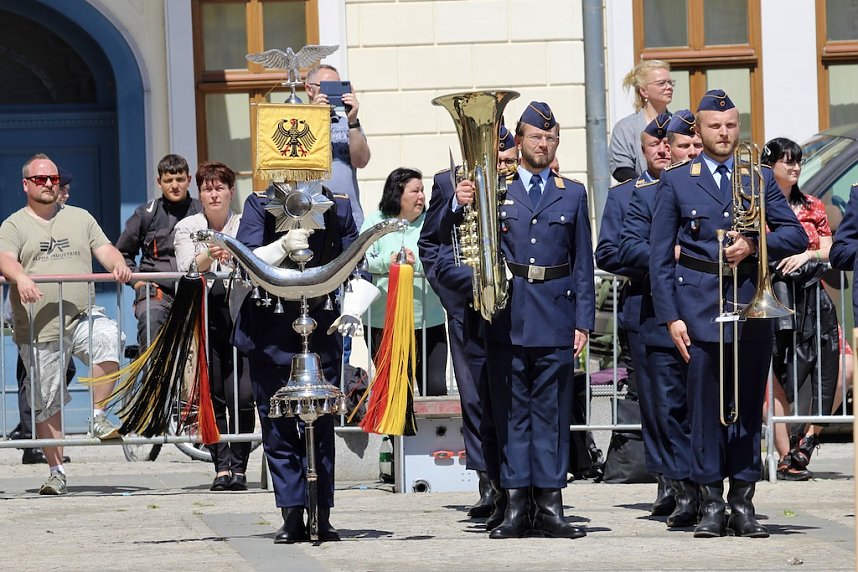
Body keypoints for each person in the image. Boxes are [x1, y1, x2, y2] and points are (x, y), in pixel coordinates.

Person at [649, 90, 807, 538]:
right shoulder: (677, 180)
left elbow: (795, 234)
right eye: (715, 126)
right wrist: (671, 318)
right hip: (697, 306)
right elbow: (660, 259)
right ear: (697, 130)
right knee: (705, 411)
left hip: (750, 305)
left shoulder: (757, 176)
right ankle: (710, 503)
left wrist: (756, 245)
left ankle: (743, 500)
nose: (724, 133)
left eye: (731, 125)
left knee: (745, 412)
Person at [455, 102, 594, 540]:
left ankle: (551, 505)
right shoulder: (495, 188)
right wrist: (460, 206)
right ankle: (515, 504)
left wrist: (583, 321)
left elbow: (582, 263)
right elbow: (464, 238)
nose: (544, 144)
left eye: (551, 138)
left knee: (551, 415)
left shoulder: (572, 192)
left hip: (555, 313)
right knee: (511, 414)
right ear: (519, 140)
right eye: (536, 136)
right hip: (508, 315)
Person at [233, 181, 365, 543]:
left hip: (322, 324)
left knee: (321, 427)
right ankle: (291, 513)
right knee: (277, 428)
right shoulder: (260, 202)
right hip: (269, 327)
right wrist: (279, 246)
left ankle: (321, 513)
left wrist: (354, 308)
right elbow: (244, 258)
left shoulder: (337, 203)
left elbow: (357, 259)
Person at [0, 153, 132, 495]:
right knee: (47, 402)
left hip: (81, 315)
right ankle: (56, 471)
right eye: (41, 179)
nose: (48, 184)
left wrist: (118, 264)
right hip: (39, 328)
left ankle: (99, 414)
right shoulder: (14, 224)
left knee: (108, 338)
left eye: (53, 179)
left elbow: (105, 249)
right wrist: (21, 278)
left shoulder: (80, 217)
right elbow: (5, 258)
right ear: (26, 184)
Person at [417, 124, 519, 527]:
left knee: (508, 399)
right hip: (467, 308)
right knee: (476, 400)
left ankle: (513, 484)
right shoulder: (449, 181)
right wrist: (455, 206)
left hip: (513, 309)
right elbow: (431, 242)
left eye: (503, 153)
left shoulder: (519, 177)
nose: (498, 160)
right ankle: (486, 483)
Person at [617, 109, 703, 529]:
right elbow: (627, 245)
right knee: (668, 409)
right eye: (682, 146)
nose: (689, 152)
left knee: (706, 406)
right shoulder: (647, 194)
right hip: (660, 314)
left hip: (707, 311)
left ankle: (709, 488)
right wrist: (663, 250)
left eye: (695, 145)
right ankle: (683, 489)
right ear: (666, 149)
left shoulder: (720, 189)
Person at [596, 113, 673, 516]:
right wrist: (659, 263)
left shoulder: (691, 189)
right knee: (654, 401)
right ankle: (665, 479)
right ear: (642, 152)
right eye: (653, 145)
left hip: (693, 304)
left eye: (668, 143)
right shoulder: (626, 194)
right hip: (644, 304)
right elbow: (606, 251)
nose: (662, 150)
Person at [762, 138, 849, 481]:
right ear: (771, 167)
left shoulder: (812, 205)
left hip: (814, 295)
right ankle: (785, 456)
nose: (796, 168)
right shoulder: (758, 208)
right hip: (777, 297)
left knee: (842, 366)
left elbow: (830, 250)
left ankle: (808, 440)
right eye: (787, 162)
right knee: (776, 376)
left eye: (798, 162)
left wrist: (807, 254)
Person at [174, 161, 254, 492]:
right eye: (207, 188)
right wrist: (211, 251)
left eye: (220, 187)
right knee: (215, 393)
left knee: (244, 394)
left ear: (231, 191)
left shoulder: (245, 222)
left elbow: (255, 257)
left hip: (243, 315)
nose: (214, 193)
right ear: (200, 194)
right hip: (207, 318)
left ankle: (240, 466)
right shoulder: (187, 226)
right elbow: (187, 267)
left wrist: (232, 251)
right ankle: (221, 466)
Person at [9, 167, 76, 465]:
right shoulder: (19, 224)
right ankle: (31, 439)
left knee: (58, 373)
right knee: (30, 378)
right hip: (32, 319)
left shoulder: (69, 220)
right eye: (43, 181)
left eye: (58, 184)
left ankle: (36, 436)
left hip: (60, 319)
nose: (57, 189)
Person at [362, 168, 448, 396]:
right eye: (415, 191)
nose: (422, 196)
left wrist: (414, 264)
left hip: (429, 321)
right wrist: (388, 262)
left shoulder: (432, 221)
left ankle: (429, 434)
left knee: (436, 390)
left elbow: (440, 259)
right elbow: (362, 259)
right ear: (397, 194)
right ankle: (396, 434)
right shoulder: (375, 221)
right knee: (396, 393)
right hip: (384, 322)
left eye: (422, 190)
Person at [116, 154, 203, 349]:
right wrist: (137, 282)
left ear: (189, 180)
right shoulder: (145, 214)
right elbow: (122, 253)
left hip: (196, 288)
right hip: (157, 291)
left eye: (180, 179)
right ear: (159, 182)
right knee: (151, 319)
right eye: (168, 180)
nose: (175, 185)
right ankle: (153, 379)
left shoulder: (202, 210)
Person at [304, 64, 371, 229]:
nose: (334, 93)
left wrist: (353, 120)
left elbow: (361, 161)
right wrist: (316, 119)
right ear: (309, 89)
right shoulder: (299, 123)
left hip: (348, 217)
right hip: (311, 214)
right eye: (327, 87)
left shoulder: (346, 124)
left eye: (338, 86)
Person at [609, 59, 673, 182]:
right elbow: (621, 169)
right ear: (643, 91)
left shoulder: (679, 124)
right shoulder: (625, 128)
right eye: (661, 83)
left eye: (670, 82)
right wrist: (648, 187)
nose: (669, 87)